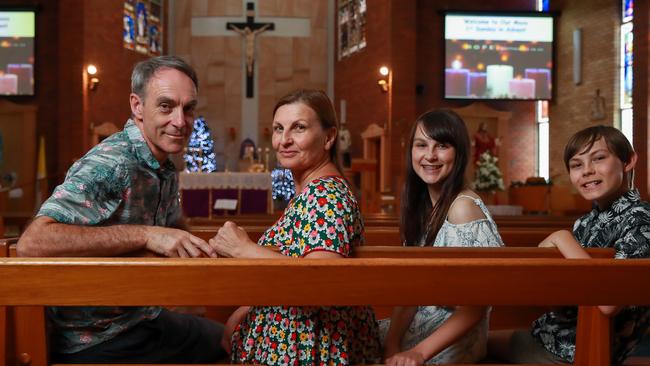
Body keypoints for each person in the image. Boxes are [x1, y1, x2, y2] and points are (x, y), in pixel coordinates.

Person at [16, 56, 226, 364]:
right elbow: (32, 243)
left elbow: (173, 231)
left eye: (188, 108)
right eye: (166, 107)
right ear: (137, 106)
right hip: (94, 336)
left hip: (141, 317)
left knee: (235, 335)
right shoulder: (112, 163)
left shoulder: (161, 165)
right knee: (238, 342)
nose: (181, 122)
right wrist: (145, 235)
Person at [209, 89, 381, 365]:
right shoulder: (311, 191)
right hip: (296, 339)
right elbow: (293, 261)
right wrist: (248, 308)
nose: (284, 140)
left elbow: (321, 283)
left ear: (329, 137)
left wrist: (244, 249)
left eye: (299, 128)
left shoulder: (326, 197)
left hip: (312, 348)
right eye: (279, 128)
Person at [487, 125, 650, 365]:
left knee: (471, 346)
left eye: (599, 158)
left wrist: (562, 238)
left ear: (628, 161)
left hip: (576, 350)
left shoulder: (641, 219)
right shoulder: (586, 221)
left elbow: (608, 303)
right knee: (474, 341)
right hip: (552, 336)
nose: (587, 171)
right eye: (577, 165)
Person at [380, 109, 503, 365]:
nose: (430, 155)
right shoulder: (423, 208)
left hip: (450, 345)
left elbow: (476, 306)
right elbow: (411, 291)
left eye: (442, 146)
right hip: (420, 332)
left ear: (458, 153)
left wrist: (418, 353)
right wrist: (392, 344)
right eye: (421, 145)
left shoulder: (463, 208)